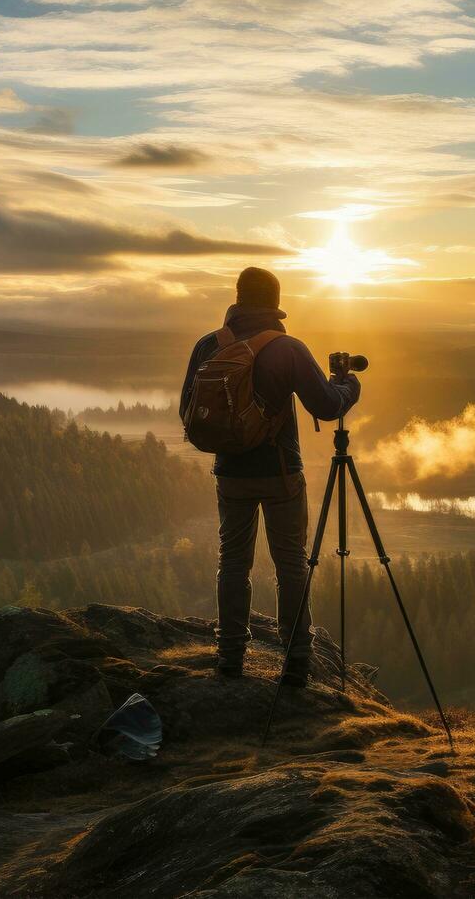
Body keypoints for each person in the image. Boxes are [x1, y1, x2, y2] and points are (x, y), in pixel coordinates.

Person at [179, 267, 360, 684]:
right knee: (291, 566)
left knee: (232, 563)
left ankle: (229, 658)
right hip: (281, 474)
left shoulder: (209, 344)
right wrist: (350, 386)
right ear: (275, 304)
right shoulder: (287, 348)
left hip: (230, 474)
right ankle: (296, 661)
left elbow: (188, 411)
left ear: (238, 298)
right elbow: (329, 405)